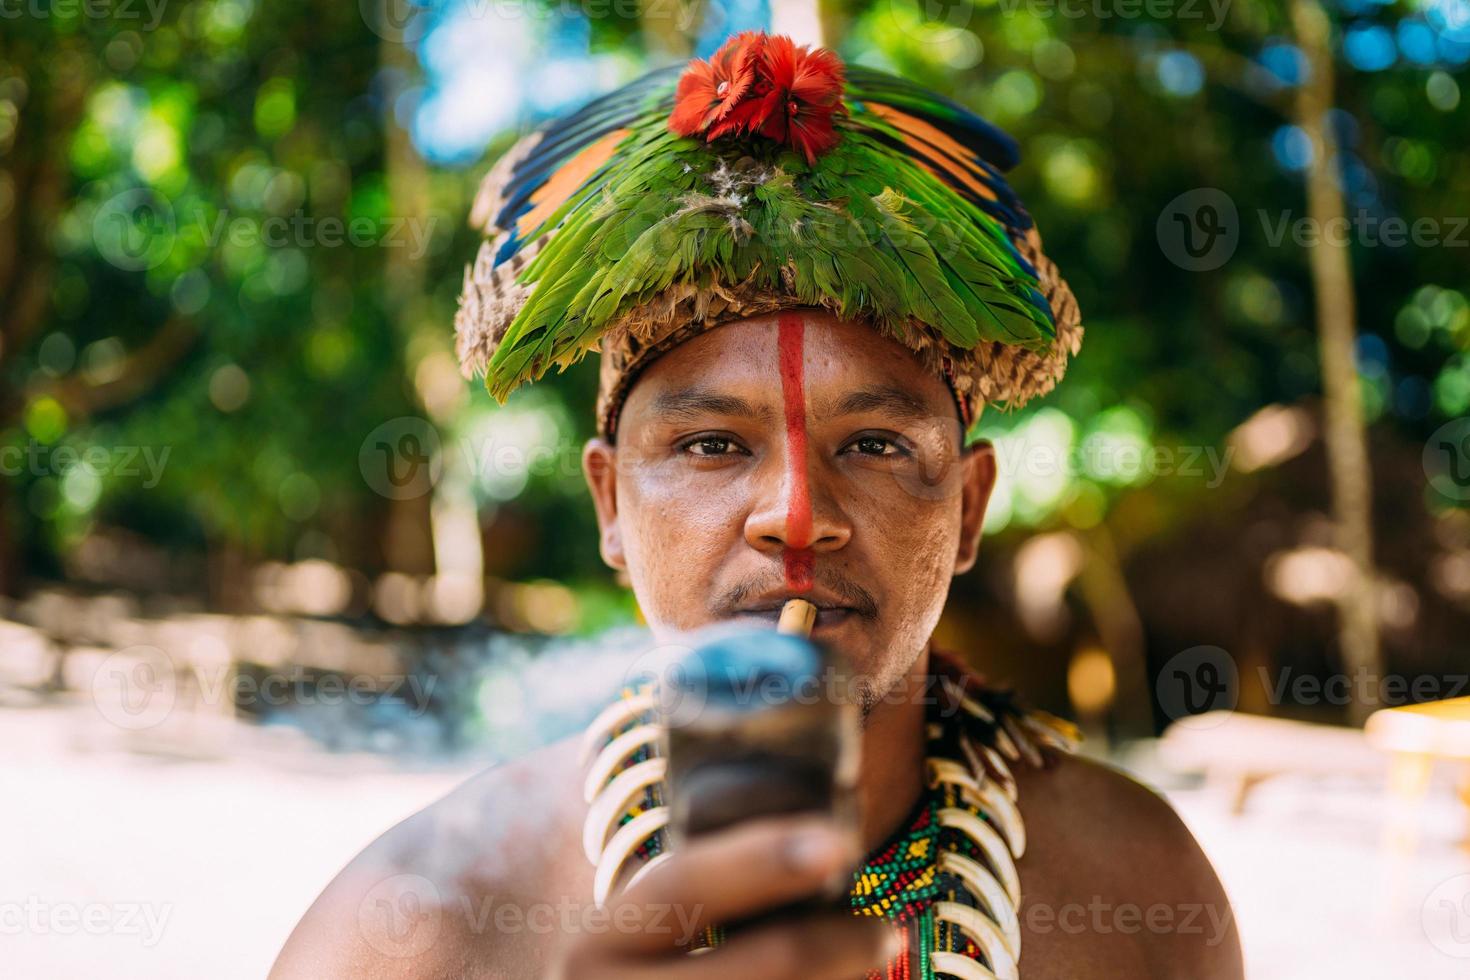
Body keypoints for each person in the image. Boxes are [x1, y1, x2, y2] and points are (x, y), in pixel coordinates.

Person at [272, 31, 1243, 980]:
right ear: (609, 502)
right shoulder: (418, 929)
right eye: (711, 444)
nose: (794, 513)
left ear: (970, 506)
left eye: (874, 444)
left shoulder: (1140, 896)